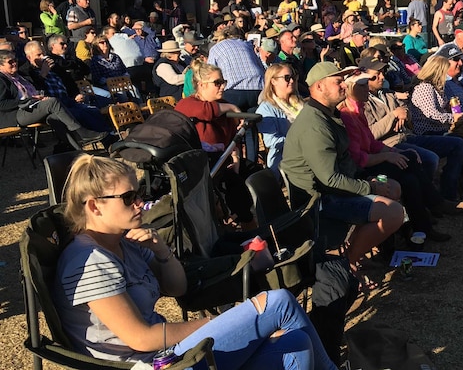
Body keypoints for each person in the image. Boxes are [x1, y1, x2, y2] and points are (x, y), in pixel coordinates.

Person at [53, 155, 336, 369]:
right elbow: (140, 338)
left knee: (296, 345)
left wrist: (161, 251)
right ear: (93, 205)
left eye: (138, 194)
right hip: (150, 365)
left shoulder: (126, 242)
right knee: (278, 303)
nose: (140, 203)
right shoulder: (89, 261)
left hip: (169, 354)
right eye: (128, 198)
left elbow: (178, 287)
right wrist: (215, 323)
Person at [280, 62, 404, 273]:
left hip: (335, 189)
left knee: (392, 187)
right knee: (393, 213)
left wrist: (370, 182)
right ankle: (348, 264)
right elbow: (330, 180)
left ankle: (353, 250)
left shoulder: (328, 114)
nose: (344, 86)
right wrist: (369, 187)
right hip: (319, 201)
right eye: (338, 82)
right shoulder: (315, 124)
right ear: (319, 87)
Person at [340, 71, 451, 242]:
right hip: (361, 169)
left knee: (410, 177)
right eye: (360, 86)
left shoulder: (358, 110)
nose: (366, 89)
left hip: (372, 158)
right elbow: (359, 158)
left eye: (365, 85)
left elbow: (372, 143)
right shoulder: (347, 115)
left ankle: (422, 229)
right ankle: (435, 205)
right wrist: (387, 157)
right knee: (412, 161)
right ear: (348, 89)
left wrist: (394, 153)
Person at [175, 62, 255, 228]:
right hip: (198, 168)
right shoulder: (187, 104)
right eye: (217, 83)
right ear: (202, 85)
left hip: (221, 162)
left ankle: (252, 226)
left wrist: (236, 162)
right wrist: (232, 107)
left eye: (223, 82)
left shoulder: (223, 108)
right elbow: (205, 111)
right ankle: (246, 225)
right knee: (236, 186)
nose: (222, 86)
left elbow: (233, 141)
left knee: (253, 174)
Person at [0, 50, 107, 148]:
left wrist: (39, 97)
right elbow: (2, 104)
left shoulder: (20, 76)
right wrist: (26, 101)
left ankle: (76, 149)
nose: (15, 63)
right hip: (16, 114)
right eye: (10, 62)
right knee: (53, 102)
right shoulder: (2, 80)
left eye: (15, 60)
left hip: (32, 107)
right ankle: (82, 133)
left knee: (54, 117)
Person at [409, 55, 463, 191]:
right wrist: (453, 118)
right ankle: (449, 187)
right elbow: (431, 114)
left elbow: (442, 109)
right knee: (461, 144)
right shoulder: (425, 87)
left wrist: (451, 109)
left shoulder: (438, 88)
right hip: (426, 132)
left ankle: (459, 176)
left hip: (439, 129)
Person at [20, 41, 111, 134]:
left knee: (93, 110)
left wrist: (76, 94)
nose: (43, 57)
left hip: (67, 99)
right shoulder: (26, 72)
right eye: (39, 55)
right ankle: (102, 136)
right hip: (53, 105)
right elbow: (35, 90)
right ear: (29, 57)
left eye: (44, 53)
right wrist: (43, 73)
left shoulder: (54, 66)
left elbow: (69, 81)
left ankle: (109, 135)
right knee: (79, 113)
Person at [256, 63, 303, 174]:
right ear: (273, 81)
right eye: (287, 78)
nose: (291, 81)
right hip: (285, 160)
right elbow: (271, 141)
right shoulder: (266, 109)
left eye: (293, 77)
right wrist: (300, 142)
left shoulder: (299, 103)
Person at [208, 25, 266, 111]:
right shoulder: (247, 45)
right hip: (258, 87)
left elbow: (210, 72)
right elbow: (261, 67)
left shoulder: (216, 48)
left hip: (234, 91)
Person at [90, 35, 141, 101]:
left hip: (122, 82)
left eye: (106, 42)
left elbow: (124, 71)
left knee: (134, 89)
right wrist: (114, 82)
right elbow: (98, 79)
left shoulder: (116, 57)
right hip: (108, 85)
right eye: (102, 43)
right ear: (96, 46)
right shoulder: (96, 60)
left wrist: (124, 79)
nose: (105, 44)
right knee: (122, 93)